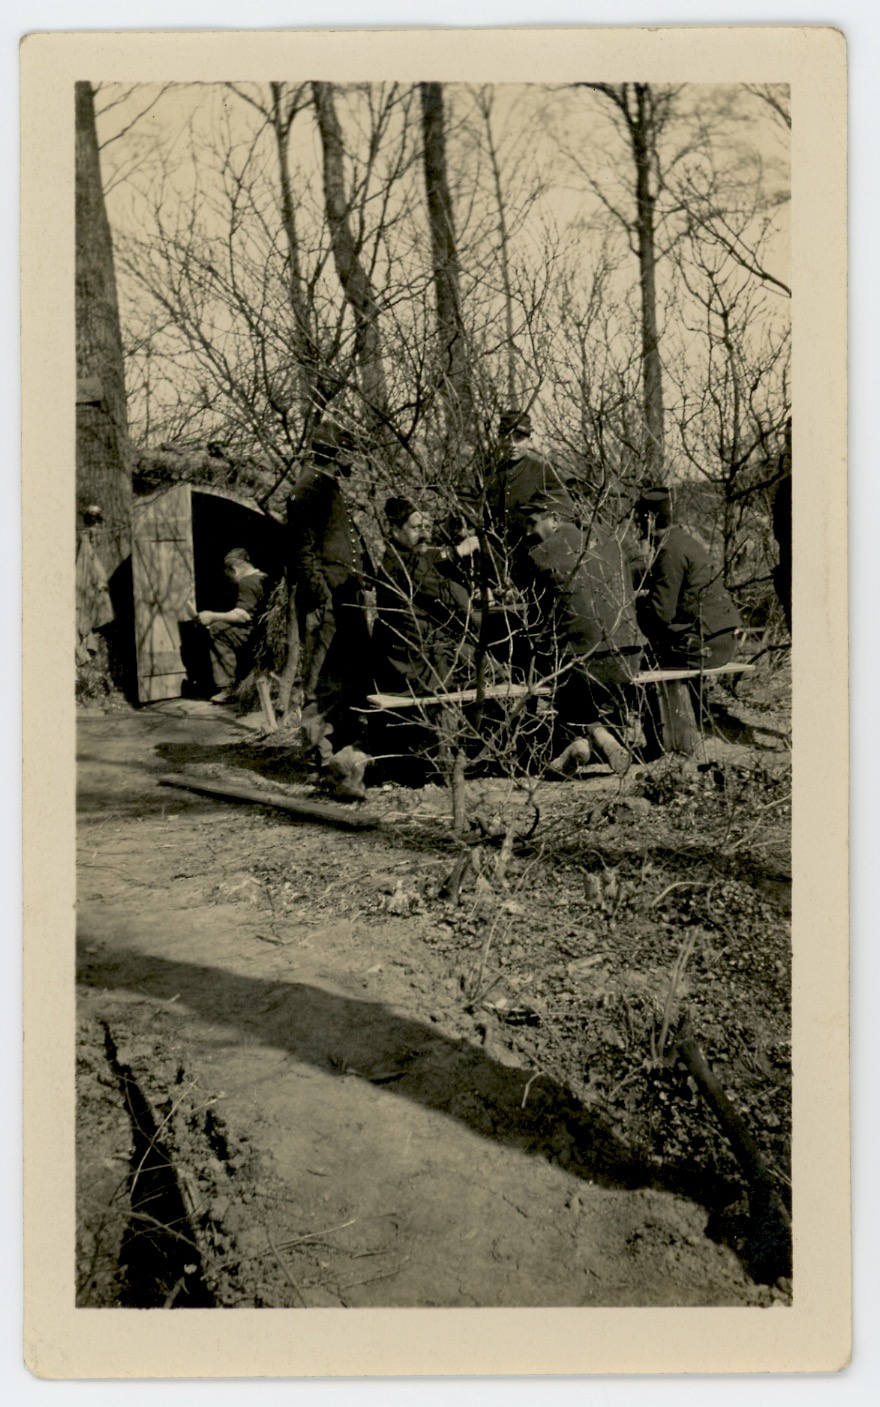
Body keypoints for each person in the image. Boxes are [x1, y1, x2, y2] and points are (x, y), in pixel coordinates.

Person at [524, 492, 643, 775]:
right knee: (575, 665)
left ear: (554, 519)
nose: (529, 531)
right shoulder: (611, 542)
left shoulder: (539, 555)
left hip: (584, 664)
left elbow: (537, 618)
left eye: (533, 522)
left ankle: (583, 740)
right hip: (630, 655)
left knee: (543, 663)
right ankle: (595, 738)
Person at [372, 496, 479, 696]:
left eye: (426, 528)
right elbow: (453, 599)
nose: (425, 535)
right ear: (395, 529)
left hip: (414, 657)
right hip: (420, 665)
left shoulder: (400, 557)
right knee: (495, 672)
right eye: (416, 528)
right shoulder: (405, 566)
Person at [634, 487, 741, 671]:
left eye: (639, 520)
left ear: (649, 520)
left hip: (702, 647)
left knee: (634, 664)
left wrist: (636, 606)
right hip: (722, 642)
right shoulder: (685, 541)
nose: (638, 526)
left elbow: (661, 615)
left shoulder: (668, 552)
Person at [482, 408, 577, 588]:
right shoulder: (489, 475)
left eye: (519, 438)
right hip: (495, 564)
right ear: (499, 439)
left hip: (533, 561)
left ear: (530, 441)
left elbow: (566, 509)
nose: (512, 445)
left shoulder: (542, 471)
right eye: (506, 437)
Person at [196, 548, 266, 703]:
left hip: (253, 636)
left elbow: (242, 615)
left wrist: (211, 616)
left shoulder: (246, 582)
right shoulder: (263, 577)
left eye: (228, 576)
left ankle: (228, 687)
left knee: (216, 630)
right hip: (264, 635)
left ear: (233, 570)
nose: (229, 580)